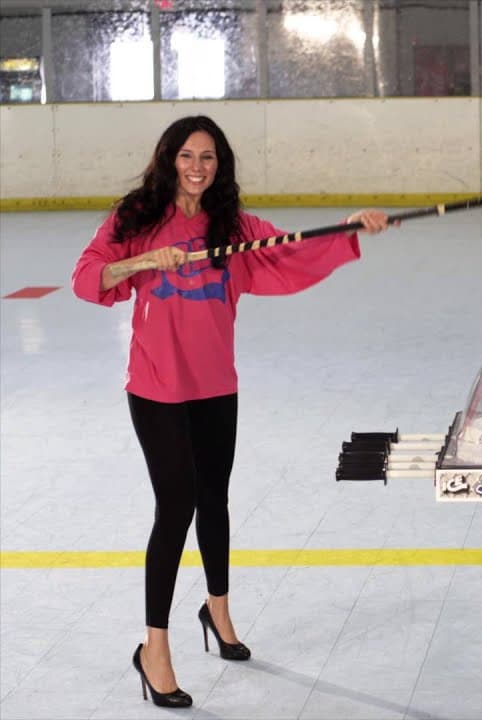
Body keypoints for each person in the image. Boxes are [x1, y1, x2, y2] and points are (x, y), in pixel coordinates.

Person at [71, 115, 394, 707]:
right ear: (169, 158)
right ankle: (154, 648)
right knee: (176, 506)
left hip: (216, 384)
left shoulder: (232, 225)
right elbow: (87, 277)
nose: (198, 168)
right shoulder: (135, 217)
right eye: (188, 156)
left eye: (209, 158)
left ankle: (217, 611)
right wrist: (145, 261)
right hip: (156, 387)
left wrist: (348, 230)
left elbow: (289, 253)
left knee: (214, 498)